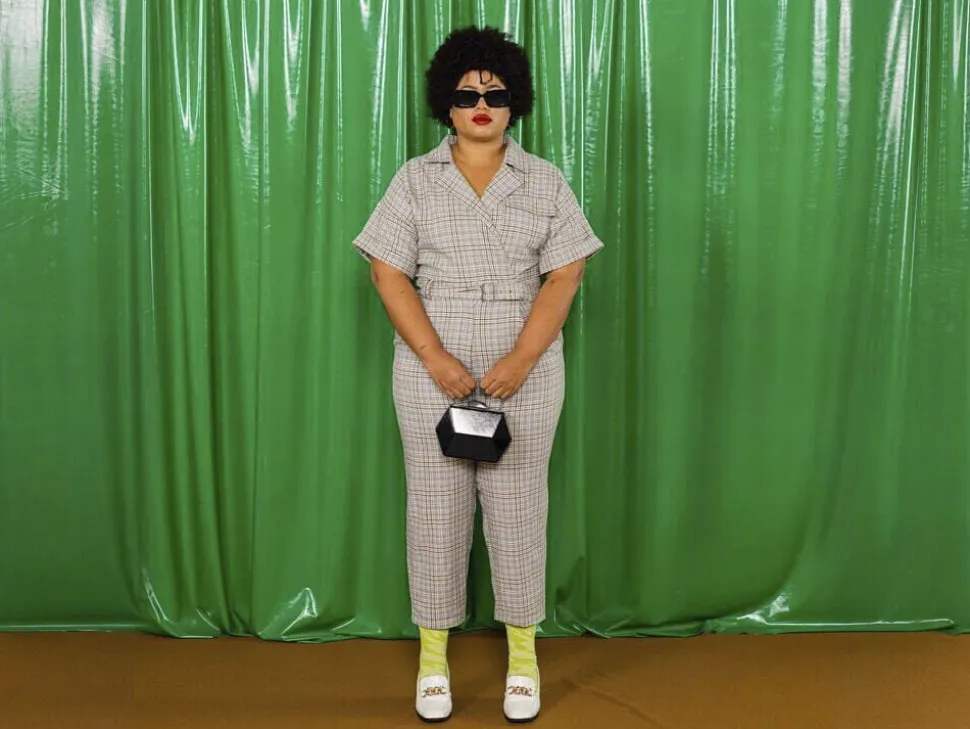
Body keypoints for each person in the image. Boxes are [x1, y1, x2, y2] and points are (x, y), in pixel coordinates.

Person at [353, 25, 603, 723]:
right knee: (434, 509)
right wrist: (435, 357)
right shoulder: (414, 179)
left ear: (515, 99)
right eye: (466, 95)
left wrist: (521, 358)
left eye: (494, 93)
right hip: (430, 364)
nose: (481, 106)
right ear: (447, 103)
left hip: (526, 364)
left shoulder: (545, 180)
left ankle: (524, 657)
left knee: (520, 507)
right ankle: (433, 659)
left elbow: (566, 273)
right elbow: (387, 271)